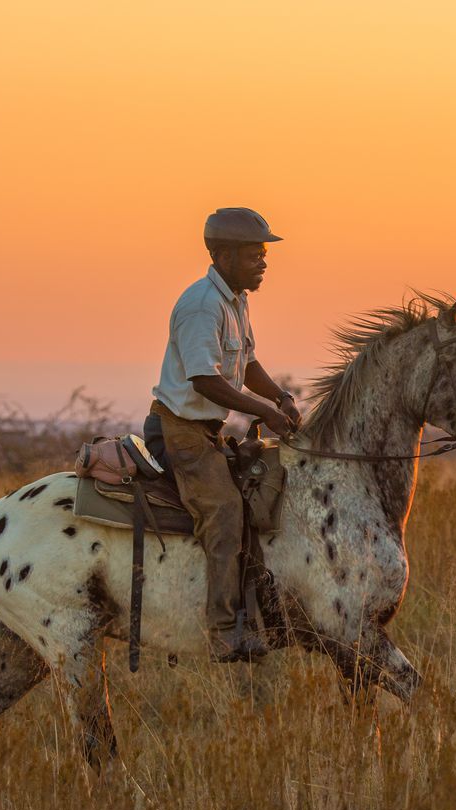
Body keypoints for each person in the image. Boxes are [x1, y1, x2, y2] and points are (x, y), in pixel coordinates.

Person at [150, 207, 301, 662]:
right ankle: (221, 631)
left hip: (207, 432)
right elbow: (205, 380)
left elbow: (247, 364)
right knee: (226, 511)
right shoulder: (202, 305)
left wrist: (280, 398)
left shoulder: (235, 300)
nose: (263, 262)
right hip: (181, 432)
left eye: (263, 253)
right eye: (254, 254)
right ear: (222, 255)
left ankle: (257, 611)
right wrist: (265, 413)